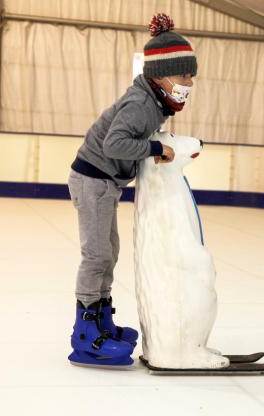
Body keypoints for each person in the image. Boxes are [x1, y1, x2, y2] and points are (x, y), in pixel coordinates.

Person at [66, 13, 195, 367]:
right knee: (97, 255)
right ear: (161, 75)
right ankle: (86, 332)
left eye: (192, 75)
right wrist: (155, 150)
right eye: (184, 74)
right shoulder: (141, 104)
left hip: (104, 182)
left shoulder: (155, 103)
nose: (189, 82)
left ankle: (102, 320)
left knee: (109, 252)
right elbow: (114, 144)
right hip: (93, 178)